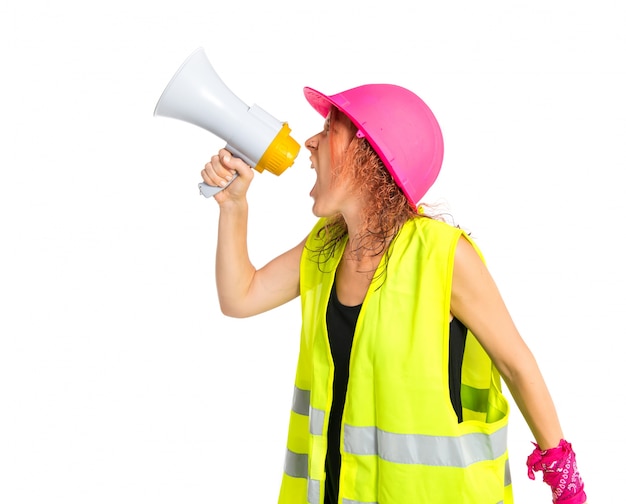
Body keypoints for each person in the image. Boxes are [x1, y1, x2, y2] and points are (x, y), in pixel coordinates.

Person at [201, 84, 587, 503]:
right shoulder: (323, 249)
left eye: (330, 128)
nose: (310, 141)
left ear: (370, 155)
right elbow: (239, 297)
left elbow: (516, 365)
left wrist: (565, 482)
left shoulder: (442, 255)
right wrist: (233, 206)